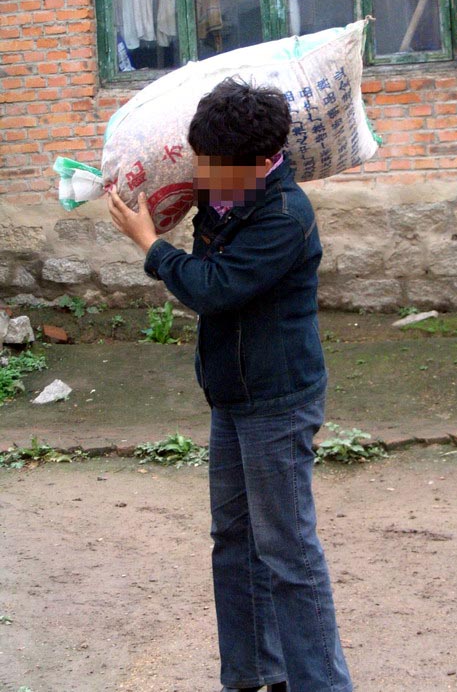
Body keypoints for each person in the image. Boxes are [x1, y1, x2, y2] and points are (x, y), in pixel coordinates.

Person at [107, 77, 353, 692]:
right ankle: (251, 675)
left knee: (288, 553)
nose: (204, 173)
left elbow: (213, 289)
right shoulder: (223, 198)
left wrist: (149, 245)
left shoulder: (284, 215)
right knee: (233, 541)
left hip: (278, 401)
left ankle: (322, 685)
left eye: (214, 164)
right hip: (231, 393)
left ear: (257, 161)